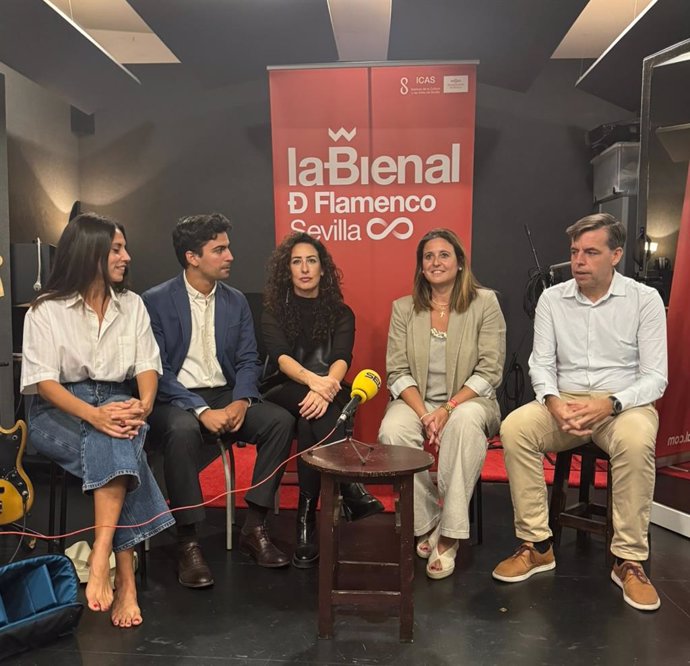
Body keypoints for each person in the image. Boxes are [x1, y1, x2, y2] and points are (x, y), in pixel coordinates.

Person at [493, 213, 667, 612]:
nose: (579, 261)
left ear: (616, 255)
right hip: (564, 400)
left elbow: (656, 377)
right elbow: (541, 363)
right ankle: (537, 545)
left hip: (622, 404)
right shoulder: (553, 298)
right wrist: (552, 401)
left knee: (637, 440)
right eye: (574, 252)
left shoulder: (644, 300)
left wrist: (609, 403)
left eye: (591, 252)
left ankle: (628, 561)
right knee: (515, 427)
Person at [21, 213, 173, 628]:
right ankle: (124, 574)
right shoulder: (46, 311)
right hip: (60, 410)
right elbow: (43, 382)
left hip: (121, 402)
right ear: (91, 253)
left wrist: (142, 405)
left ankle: (102, 554)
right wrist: (95, 415)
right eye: (117, 249)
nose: (128, 256)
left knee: (116, 441)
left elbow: (147, 365)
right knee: (120, 449)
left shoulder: (133, 305)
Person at [143, 213, 294, 588]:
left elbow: (247, 360)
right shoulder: (155, 301)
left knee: (280, 421)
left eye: (228, 247)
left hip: (226, 392)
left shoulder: (237, 301)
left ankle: (255, 526)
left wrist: (242, 401)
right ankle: (188, 540)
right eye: (220, 249)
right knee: (180, 431)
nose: (230, 256)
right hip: (176, 398)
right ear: (193, 257)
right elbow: (157, 369)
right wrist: (200, 410)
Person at [378, 228, 506, 580]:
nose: (436, 262)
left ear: (460, 262)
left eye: (444, 254)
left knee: (464, 423)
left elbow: (490, 370)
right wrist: (425, 414)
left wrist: (447, 409)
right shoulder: (404, 309)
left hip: (470, 399)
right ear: (421, 268)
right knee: (393, 428)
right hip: (418, 400)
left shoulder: (485, 303)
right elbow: (398, 370)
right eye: (428, 257)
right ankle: (427, 519)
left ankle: (450, 533)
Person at [261, 232, 383, 568]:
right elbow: (282, 358)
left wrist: (328, 383)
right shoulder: (274, 310)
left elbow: (343, 356)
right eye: (296, 261)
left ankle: (306, 517)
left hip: (327, 386)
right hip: (284, 385)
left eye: (311, 260)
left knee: (310, 417)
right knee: (317, 408)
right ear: (288, 270)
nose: (304, 268)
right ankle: (350, 490)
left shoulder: (341, 312)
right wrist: (317, 383)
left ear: (323, 269)